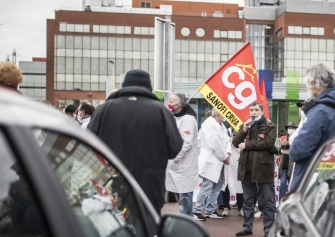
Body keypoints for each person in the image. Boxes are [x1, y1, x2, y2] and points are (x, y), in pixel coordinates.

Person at [88, 69, 182, 214]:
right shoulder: (160, 111)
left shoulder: (105, 109)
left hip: (112, 182)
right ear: (149, 87)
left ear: (124, 85)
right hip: (150, 185)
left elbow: (88, 144)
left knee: (114, 228)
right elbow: (175, 147)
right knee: (148, 230)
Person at [289, 63, 335, 192]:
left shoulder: (320, 111)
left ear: (314, 83)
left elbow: (297, 151)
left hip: (312, 185)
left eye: (307, 84)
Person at [232, 101, 277, 237]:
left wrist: (247, 144)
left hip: (263, 168)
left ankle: (269, 229)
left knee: (267, 201)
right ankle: (247, 226)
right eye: (251, 110)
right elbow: (235, 143)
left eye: (256, 110)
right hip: (246, 168)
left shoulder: (270, 126)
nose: (253, 112)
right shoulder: (246, 125)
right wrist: (243, 130)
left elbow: (267, 143)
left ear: (262, 112)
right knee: (247, 200)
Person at [193, 108, 231, 221]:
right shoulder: (208, 125)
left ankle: (209, 209)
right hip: (211, 160)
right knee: (207, 186)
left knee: (218, 186)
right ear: (219, 115)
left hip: (219, 161)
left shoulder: (221, 125)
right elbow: (215, 144)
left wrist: (228, 153)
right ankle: (196, 210)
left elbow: (226, 141)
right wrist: (225, 157)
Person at [165, 93, 199, 217]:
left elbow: (187, 143)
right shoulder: (176, 118)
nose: (169, 103)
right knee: (180, 197)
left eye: (171, 101)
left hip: (184, 165)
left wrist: (174, 158)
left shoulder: (188, 120)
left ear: (178, 105)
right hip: (176, 165)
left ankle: (187, 225)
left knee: (185, 198)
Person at [278, 122, 297, 200]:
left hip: (293, 166)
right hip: (284, 166)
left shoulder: (297, 138)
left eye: (293, 128)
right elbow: (279, 151)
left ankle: (291, 201)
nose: (291, 130)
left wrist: (290, 143)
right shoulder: (283, 138)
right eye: (289, 128)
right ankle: (281, 201)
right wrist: (282, 145)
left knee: (292, 185)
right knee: (282, 183)